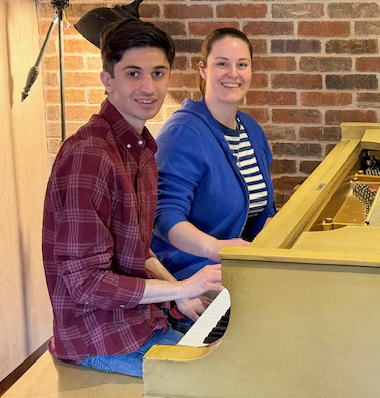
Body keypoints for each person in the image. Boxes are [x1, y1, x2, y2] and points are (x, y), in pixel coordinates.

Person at [41, 19, 222, 378]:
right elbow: (86, 283)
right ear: (107, 80)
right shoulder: (89, 156)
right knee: (223, 379)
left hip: (138, 320)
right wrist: (185, 285)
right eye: (133, 73)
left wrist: (179, 293)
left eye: (158, 73)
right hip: (97, 337)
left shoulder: (140, 149)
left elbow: (139, 251)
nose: (148, 87)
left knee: (243, 355)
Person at [151, 28, 275, 280]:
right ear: (203, 70)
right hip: (192, 276)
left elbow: (264, 209)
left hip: (240, 268)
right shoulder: (183, 133)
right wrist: (215, 248)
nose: (233, 73)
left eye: (242, 64)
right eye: (222, 64)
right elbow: (163, 215)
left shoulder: (251, 129)